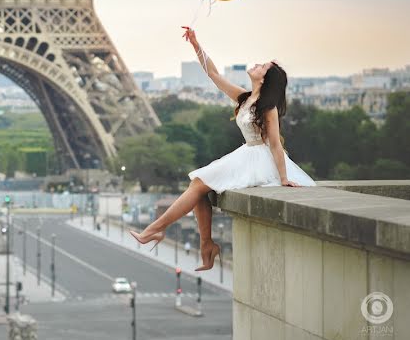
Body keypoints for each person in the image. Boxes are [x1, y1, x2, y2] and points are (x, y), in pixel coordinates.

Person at [128, 26, 316, 271]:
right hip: (246, 154)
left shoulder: (267, 107)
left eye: (263, 66)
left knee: (198, 184)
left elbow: (276, 144)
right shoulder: (245, 98)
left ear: (264, 79)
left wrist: (283, 178)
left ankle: (156, 230)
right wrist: (196, 44)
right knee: (199, 186)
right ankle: (205, 245)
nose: (257, 64)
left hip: (258, 158)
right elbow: (213, 74)